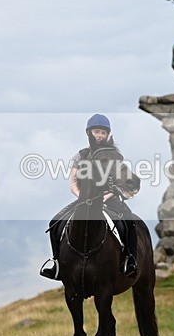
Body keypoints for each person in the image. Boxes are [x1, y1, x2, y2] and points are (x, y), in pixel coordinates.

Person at [39, 114, 139, 280]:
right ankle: (57, 263)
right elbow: (73, 184)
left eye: (103, 132)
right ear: (89, 133)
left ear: (108, 135)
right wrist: (83, 198)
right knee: (55, 223)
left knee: (130, 222)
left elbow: (119, 182)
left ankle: (130, 259)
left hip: (109, 198)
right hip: (84, 199)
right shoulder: (80, 156)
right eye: (96, 131)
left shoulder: (113, 154)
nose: (99, 135)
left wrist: (105, 197)